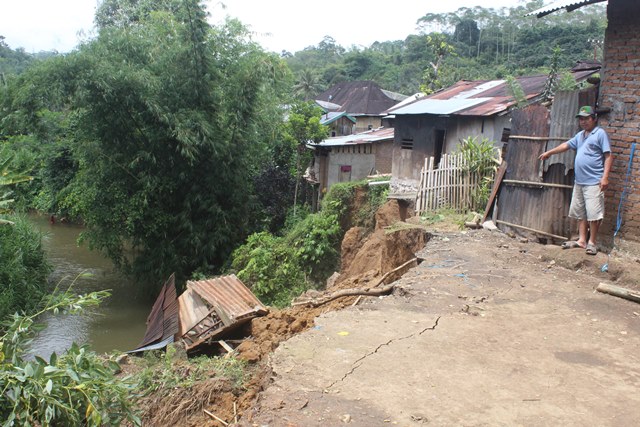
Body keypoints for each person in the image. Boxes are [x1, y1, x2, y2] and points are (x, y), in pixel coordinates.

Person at [538, 105, 613, 255]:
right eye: (581, 119)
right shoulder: (580, 135)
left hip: (594, 181)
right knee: (580, 212)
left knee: (593, 213)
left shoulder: (600, 134)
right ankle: (582, 240)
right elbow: (566, 145)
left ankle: (592, 242)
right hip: (580, 181)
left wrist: (605, 177)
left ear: (594, 119)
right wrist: (549, 153)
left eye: (586, 119)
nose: (583, 122)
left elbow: (608, 155)